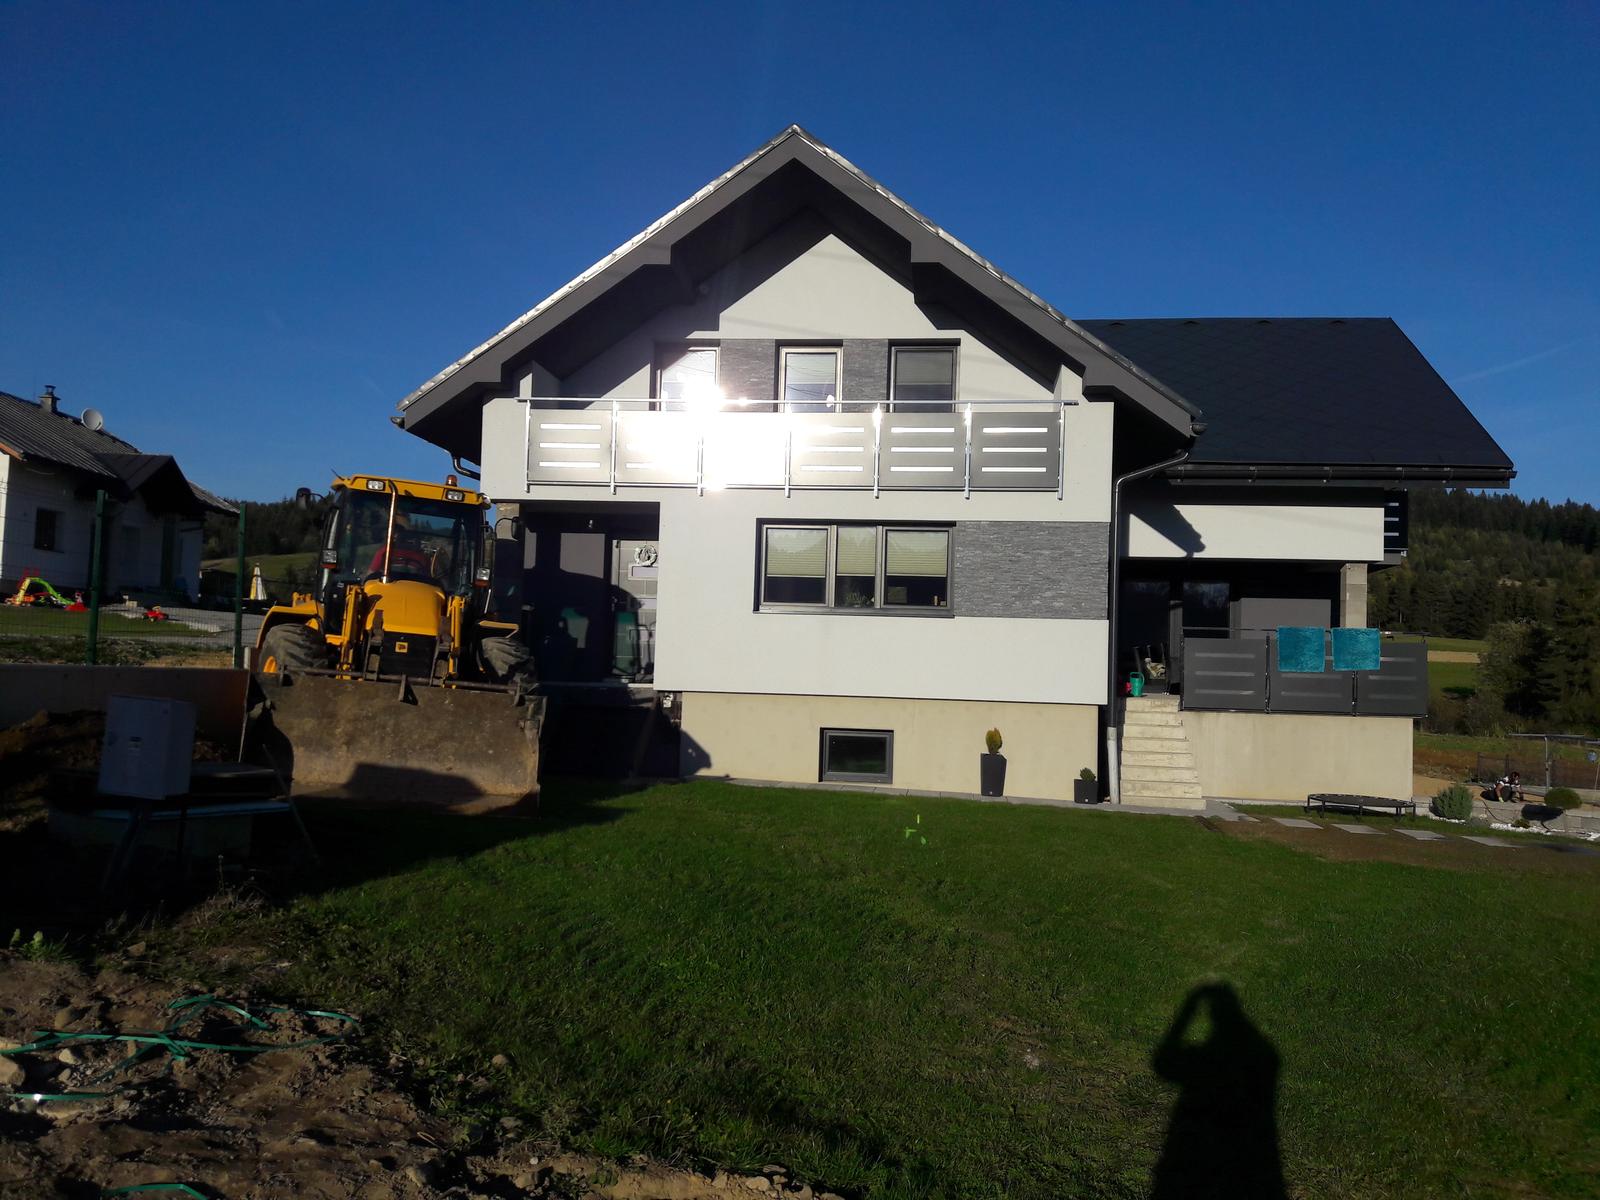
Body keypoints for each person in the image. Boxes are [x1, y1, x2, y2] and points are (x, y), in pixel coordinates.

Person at [367, 529, 433, 580]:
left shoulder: (385, 552)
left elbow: (370, 575)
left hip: (386, 586)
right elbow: (427, 579)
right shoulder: (423, 557)